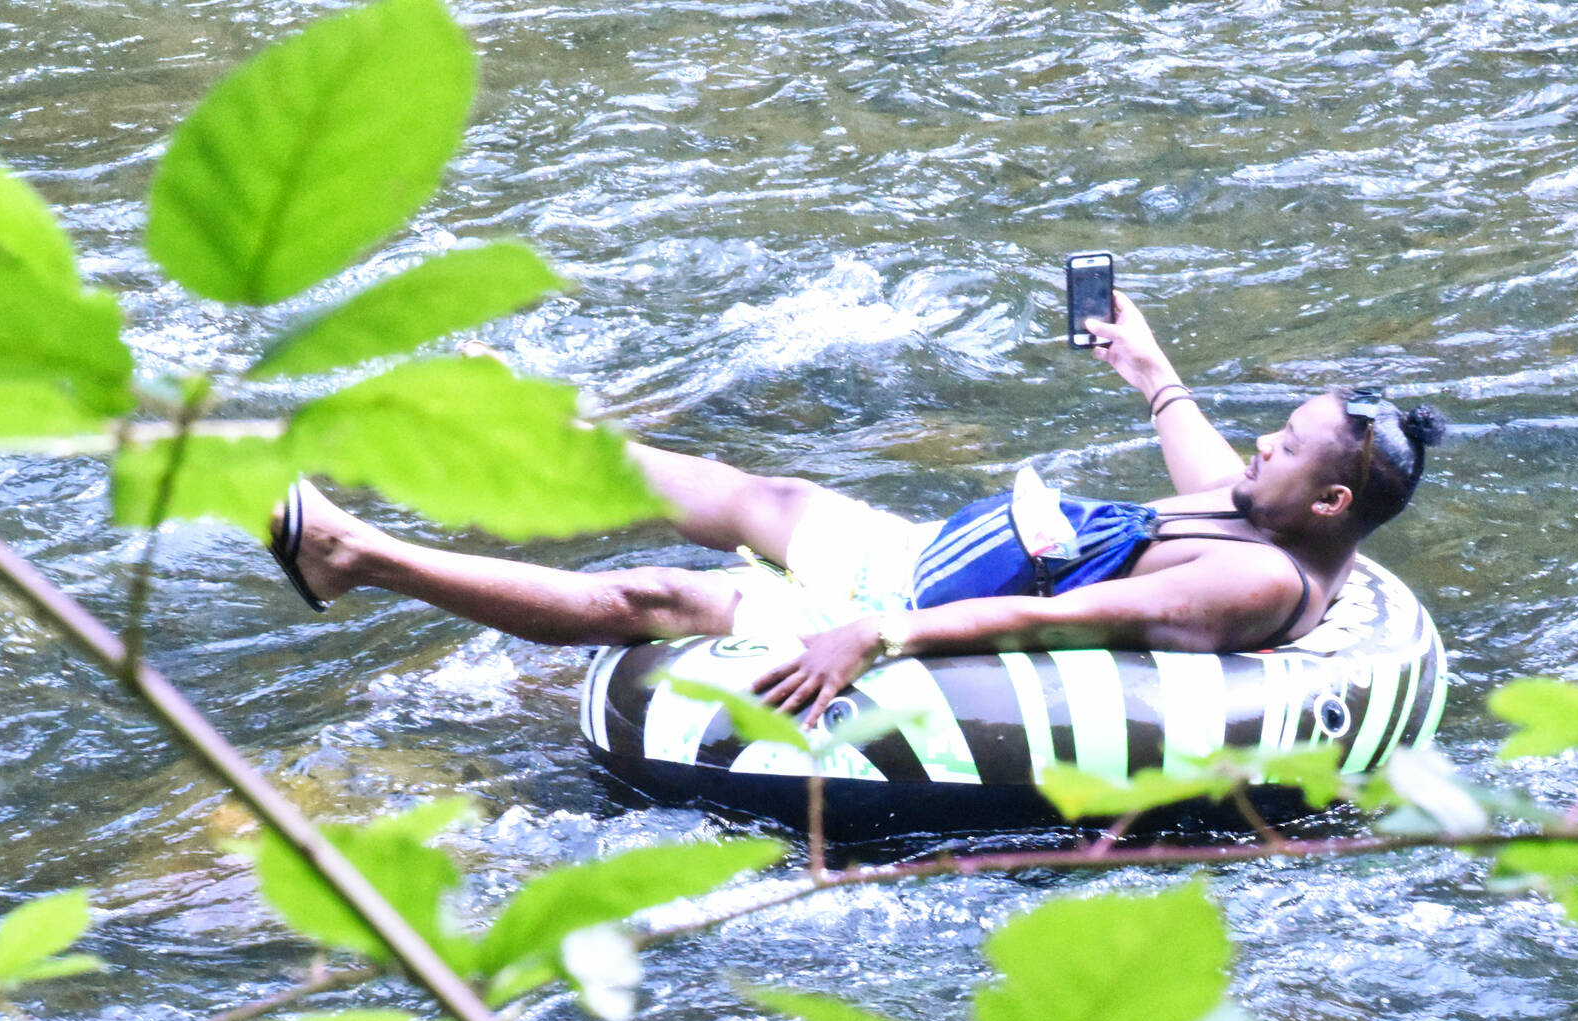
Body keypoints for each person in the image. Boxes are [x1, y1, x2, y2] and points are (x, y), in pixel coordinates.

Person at [268, 292, 1443, 726]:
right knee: (757, 495)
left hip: (919, 618)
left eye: (1281, 444)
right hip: (936, 559)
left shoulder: (1253, 581)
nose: (1257, 443)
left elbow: (1051, 630)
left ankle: (349, 555)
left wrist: (872, 636)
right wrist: (1146, 368)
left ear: (1328, 497)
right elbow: (1199, 473)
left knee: (656, 595)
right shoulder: (1268, 515)